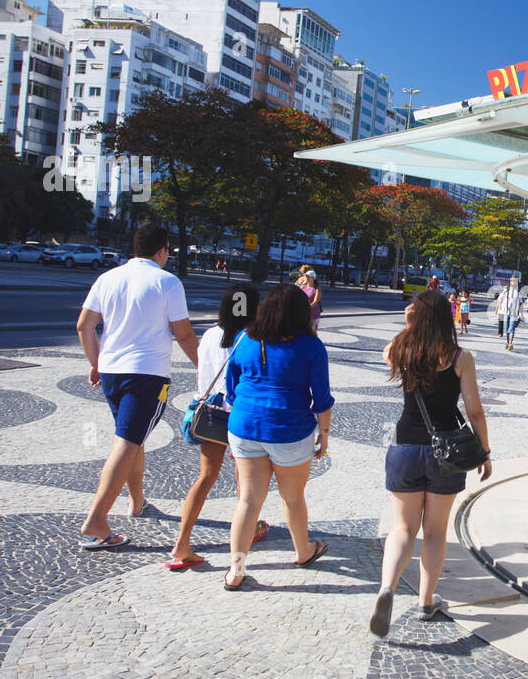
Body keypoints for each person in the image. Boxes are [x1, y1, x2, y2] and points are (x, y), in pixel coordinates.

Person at [371, 290, 491, 635]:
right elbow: (474, 410)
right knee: (435, 531)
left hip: (404, 446)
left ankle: (387, 588)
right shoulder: (460, 357)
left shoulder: (402, 350)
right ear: (446, 317)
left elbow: (386, 354)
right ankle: (426, 601)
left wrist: (408, 327)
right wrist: (483, 450)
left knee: (402, 529)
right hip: (446, 454)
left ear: (418, 317)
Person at [76, 223, 199, 549]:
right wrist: (207, 367)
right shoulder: (168, 282)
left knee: (132, 437)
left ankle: (137, 502)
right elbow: (184, 334)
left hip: (113, 374)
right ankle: (96, 520)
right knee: (128, 441)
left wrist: (96, 363)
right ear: (162, 251)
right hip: (146, 376)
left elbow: (84, 326)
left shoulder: (108, 278)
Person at [222, 284, 334, 590]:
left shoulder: (245, 338)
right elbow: (322, 399)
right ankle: (303, 551)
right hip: (289, 429)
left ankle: (236, 570)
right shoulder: (311, 346)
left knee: (248, 500)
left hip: (245, 426)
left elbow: (231, 388)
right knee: (292, 497)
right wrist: (324, 435)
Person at [168, 284, 266, 569]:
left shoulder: (210, 334)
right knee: (246, 483)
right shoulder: (253, 337)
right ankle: (248, 535)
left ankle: (182, 543)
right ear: (253, 308)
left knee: (206, 477)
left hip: (211, 412)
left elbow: (203, 373)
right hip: (240, 416)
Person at [502, 278, 523, 351]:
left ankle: (510, 343)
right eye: (512, 281)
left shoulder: (518, 293)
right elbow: (501, 299)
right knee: (506, 329)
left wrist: (520, 314)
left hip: (514, 313)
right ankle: (508, 343)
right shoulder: (506, 291)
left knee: (511, 328)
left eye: (515, 281)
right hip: (506, 312)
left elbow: (521, 304)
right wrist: (504, 291)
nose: (513, 282)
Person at [298, 269, 321, 334]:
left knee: (313, 334)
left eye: (308, 276)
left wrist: (306, 308)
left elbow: (315, 301)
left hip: (314, 315)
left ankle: (315, 344)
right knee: (303, 333)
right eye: (306, 276)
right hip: (304, 315)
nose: (306, 278)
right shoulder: (303, 287)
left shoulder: (317, 289)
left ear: (313, 278)